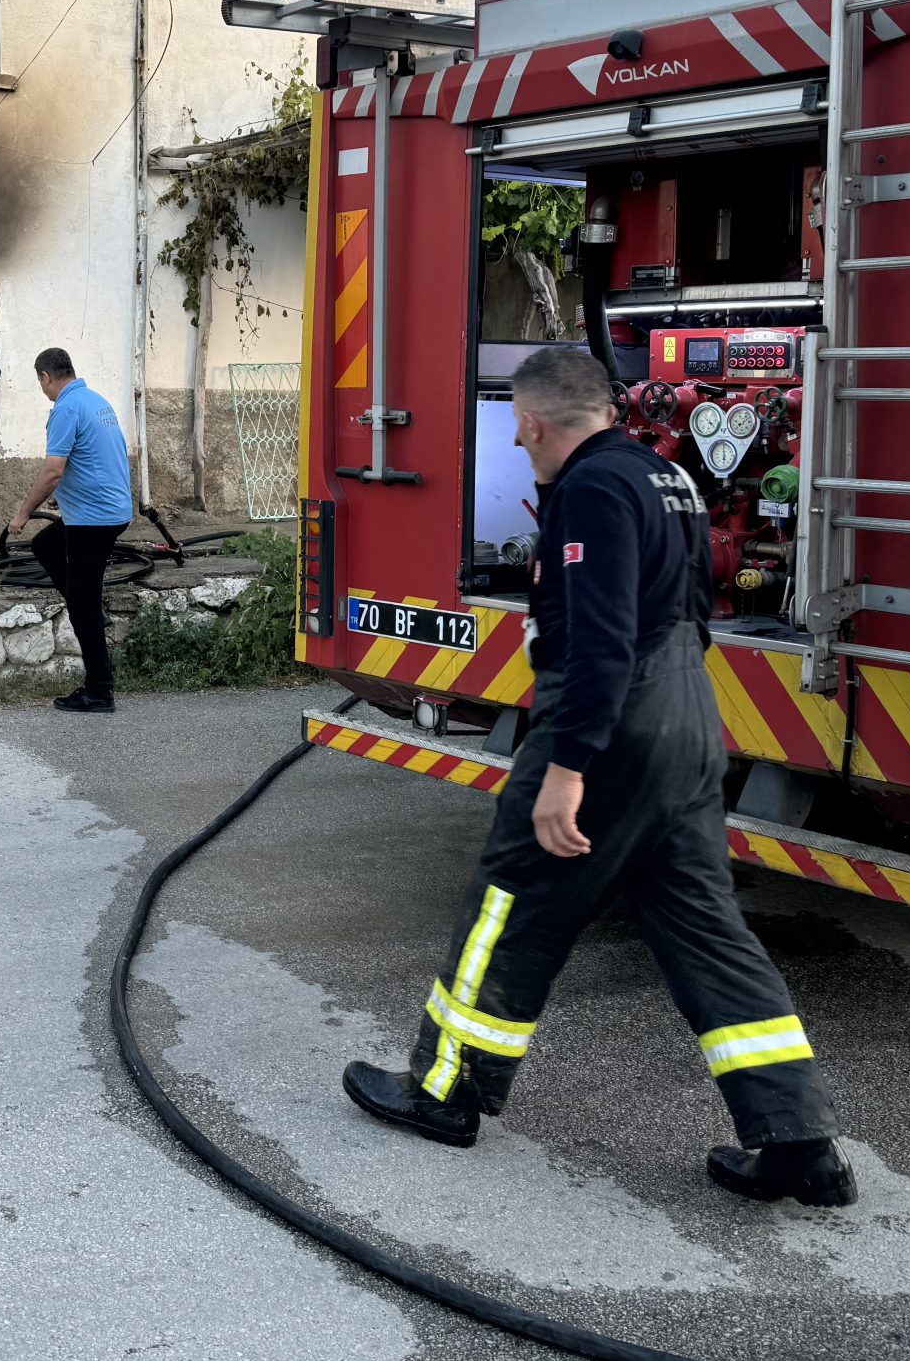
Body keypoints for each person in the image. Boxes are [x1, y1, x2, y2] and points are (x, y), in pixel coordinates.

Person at [341, 345, 856, 1209]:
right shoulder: (667, 476)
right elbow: (691, 606)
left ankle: (444, 1090)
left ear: (538, 424)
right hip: (689, 717)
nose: (520, 446)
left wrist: (568, 768)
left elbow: (603, 637)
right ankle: (797, 1140)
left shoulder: (589, 488)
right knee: (705, 929)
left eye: (518, 432)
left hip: (613, 718)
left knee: (512, 898)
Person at [6, 347, 134, 714]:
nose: (43, 389)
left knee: (82, 605)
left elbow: (53, 470)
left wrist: (22, 514)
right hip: (110, 510)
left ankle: (99, 691)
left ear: (46, 377)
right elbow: (99, 456)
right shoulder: (96, 402)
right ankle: (89, 605)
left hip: (93, 520)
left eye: (41, 383)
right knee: (46, 544)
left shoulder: (65, 408)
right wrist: (67, 498)